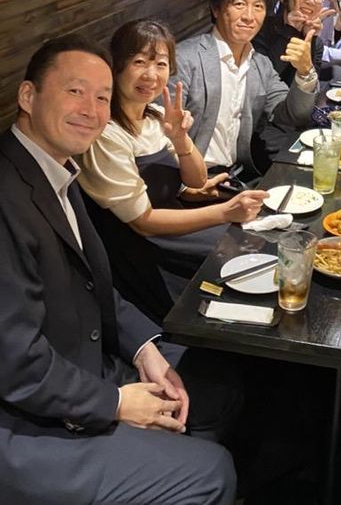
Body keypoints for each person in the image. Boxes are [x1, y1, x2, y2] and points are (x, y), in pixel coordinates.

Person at [0, 34, 237, 505]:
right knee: (212, 473)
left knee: (217, 383)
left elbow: (95, 285)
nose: (91, 110)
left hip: (84, 366)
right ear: (28, 96)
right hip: (24, 425)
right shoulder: (8, 195)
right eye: (75, 91)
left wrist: (146, 350)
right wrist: (116, 403)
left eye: (101, 98)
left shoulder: (55, 170)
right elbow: (15, 361)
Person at [78, 20, 267, 319]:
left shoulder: (156, 115)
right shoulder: (108, 133)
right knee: (238, 254)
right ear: (117, 66)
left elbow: (197, 179)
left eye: (161, 64)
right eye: (139, 62)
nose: (151, 75)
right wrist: (224, 212)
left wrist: (180, 140)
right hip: (142, 247)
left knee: (254, 244)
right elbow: (143, 222)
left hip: (172, 223)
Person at [174, 0, 317, 178]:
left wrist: (306, 72)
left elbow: (291, 116)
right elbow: (159, 135)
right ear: (215, 9)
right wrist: (185, 186)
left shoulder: (259, 64)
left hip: (237, 177)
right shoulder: (185, 59)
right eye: (239, 4)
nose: (249, 16)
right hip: (189, 180)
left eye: (258, 6)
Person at [253, 0, 327, 85]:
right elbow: (265, 79)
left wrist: (309, 39)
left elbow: (308, 88)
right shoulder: (261, 28)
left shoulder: (316, 43)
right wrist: (290, 30)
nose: (311, 1)